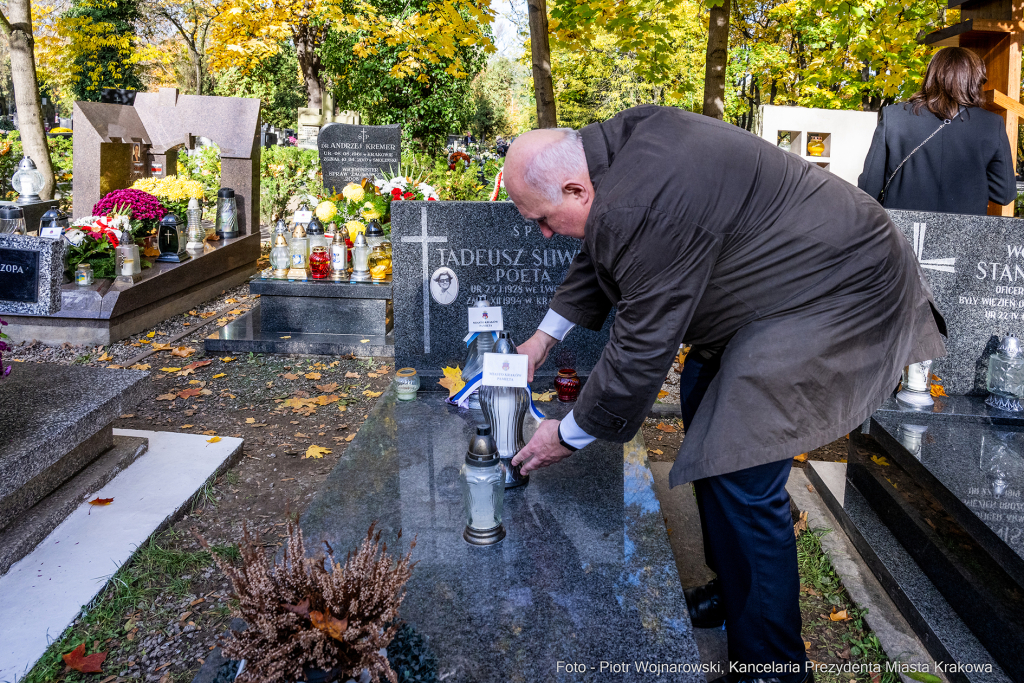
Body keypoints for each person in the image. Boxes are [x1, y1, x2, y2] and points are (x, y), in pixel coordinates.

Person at [505, 106, 946, 683]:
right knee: (701, 400)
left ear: (574, 186)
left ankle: (772, 665)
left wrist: (566, 434)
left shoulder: (644, 196)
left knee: (740, 462)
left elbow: (640, 347)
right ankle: (738, 589)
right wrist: (541, 340)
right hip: (783, 288)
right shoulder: (611, 161)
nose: (542, 232)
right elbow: (603, 247)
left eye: (542, 218)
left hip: (838, 289)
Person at [858, 46, 1016, 215]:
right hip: (964, 232)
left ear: (931, 75)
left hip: (903, 229)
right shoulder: (991, 124)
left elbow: (868, 187)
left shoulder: (894, 116)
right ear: (974, 80)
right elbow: (1004, 194)